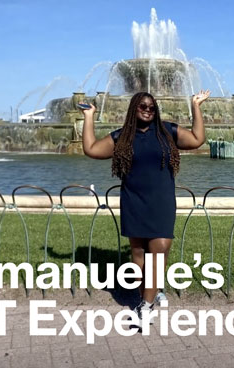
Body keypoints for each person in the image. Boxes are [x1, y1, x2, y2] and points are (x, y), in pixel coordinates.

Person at [79, 90, 210, 321]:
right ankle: (148, 295)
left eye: (151, 107)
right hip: (133, 201)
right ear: (134, 109)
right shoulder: (122, 137)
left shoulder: (168, 131)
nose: (148, 110)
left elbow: (197, 139)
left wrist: (195, 106)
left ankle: (146, 306)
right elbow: (91, 149)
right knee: (139, 255)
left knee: (159, 249)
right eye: (143, 106)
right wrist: (89, 116)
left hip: (162, 202)